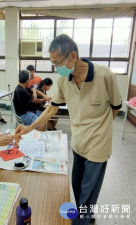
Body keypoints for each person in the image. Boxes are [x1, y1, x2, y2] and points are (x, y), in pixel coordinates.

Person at [15, 34, 122, 225]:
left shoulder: (105, 75)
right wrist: (30, 127)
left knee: (89, 189)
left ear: (73, 56)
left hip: (98, 144)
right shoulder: (63, 81)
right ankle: (85, 214)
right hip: (78, 142)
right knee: (77, 184)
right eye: (54, 64)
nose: (57, 68)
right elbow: (52, 108)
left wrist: (101, 128)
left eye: (57, 63)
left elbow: (116, 107)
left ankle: (81, 220)